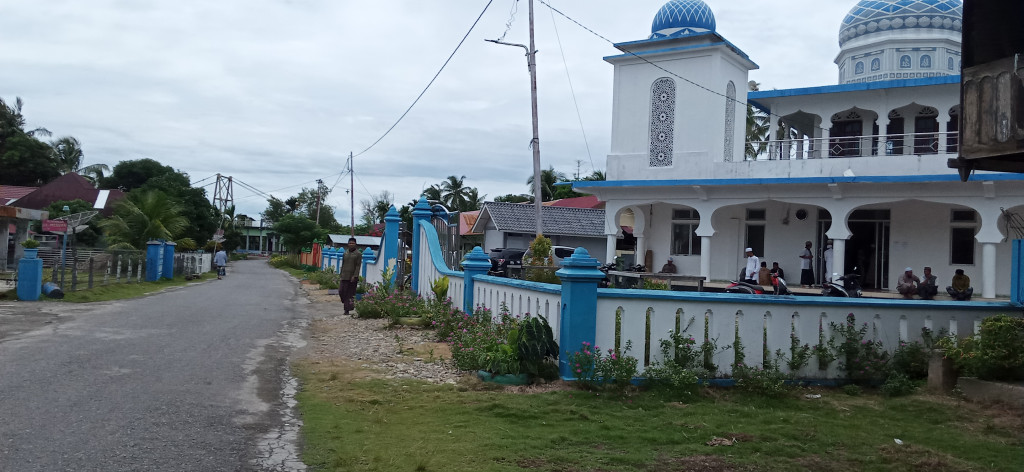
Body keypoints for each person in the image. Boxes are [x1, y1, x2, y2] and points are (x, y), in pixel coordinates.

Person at [339, 237, 363, 316]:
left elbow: (358, 265)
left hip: (352, 277)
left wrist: (355, 275)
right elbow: (343, 264)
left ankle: (347, 310)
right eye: (350, 243)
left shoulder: (358, 254)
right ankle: (348, 304)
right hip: (344, 276)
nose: (351, 244)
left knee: (349, 294)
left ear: (355, 244)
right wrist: (341, 274)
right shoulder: (345, 253)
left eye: (353, 243)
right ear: (348, 244)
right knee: (341, 291)